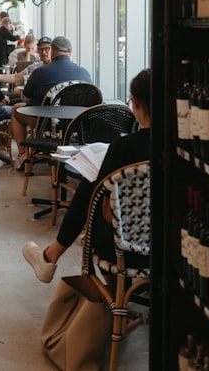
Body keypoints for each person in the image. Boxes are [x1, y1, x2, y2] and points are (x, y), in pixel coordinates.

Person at [22, 68, 151, 283]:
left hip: (124, 250)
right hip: (175, 248)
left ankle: (52, 256)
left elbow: (103, 207)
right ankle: (50, 255)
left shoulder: (124, 148)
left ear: (135, 102)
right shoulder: (185, 147)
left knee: (92, 190)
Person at [8, 36, 91, 166]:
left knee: (16, 109)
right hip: (75, 125)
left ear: (52, 52)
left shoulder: (40, 71)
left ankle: (23, 156)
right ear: (70, 52)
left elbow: (26, 99)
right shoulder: (84, 73)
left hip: (45, 124)